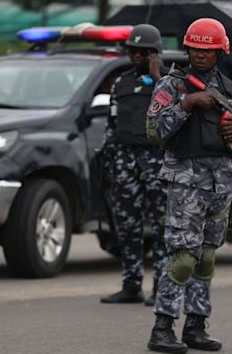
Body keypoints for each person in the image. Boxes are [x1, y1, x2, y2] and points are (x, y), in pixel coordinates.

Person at [145, 18, 232, 353]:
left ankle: (196, 326)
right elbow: (153, 131)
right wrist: (188, 104)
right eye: (195, 48)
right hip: (186, 182)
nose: (201, 55)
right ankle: (162, 328)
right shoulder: (171, 85)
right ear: (187, 48)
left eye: (207, 49)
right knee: (182, 258)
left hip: (219, 182)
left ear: (220, 51)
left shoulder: (230, 89)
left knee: (206, 258)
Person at [99, 24, 168, 306]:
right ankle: (131, 285)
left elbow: (174, 114)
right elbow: (112, 123)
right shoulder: (121, 83)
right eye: (133, 50)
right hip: (125, 160)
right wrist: (109, 156)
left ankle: (162, 287)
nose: (137, 55)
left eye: (143, 51)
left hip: (156, 161)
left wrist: (157, 76)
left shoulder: (168, 81)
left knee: (162, 226)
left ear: (154, 53)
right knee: (127, 226)